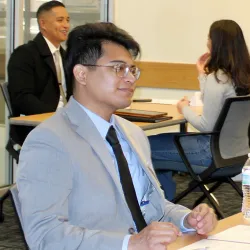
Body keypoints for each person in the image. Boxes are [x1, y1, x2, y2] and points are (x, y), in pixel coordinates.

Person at [16, 22, 217, 250]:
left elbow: (150, 206)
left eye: (132, 70)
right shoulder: (49, 141)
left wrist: (187, 219)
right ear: (81, 74)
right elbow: (45, 236)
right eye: (118, 68)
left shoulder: (132, 133)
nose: (131, 78)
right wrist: (129, 243)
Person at [149, 19, 250, 196]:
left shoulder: (218, 78)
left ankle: (165, 202)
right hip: (238, 156)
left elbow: (206, 126)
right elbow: (212, 102)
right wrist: (202, 75)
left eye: (209, 38)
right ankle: (167, 199)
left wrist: (183, 108)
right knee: (161, 142)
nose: (207, 42)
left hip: (209, 154)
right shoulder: (242, 77)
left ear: (215, 43)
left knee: (145, 146)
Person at [7, 0, 70, 144]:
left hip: (65, 124)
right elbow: (22, 98)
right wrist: (55, 117)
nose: (66, 25)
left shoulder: (65, 56)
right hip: (38, 127)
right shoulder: (24, 54)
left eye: (67, 20)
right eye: (60, 20)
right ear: (43, 24)